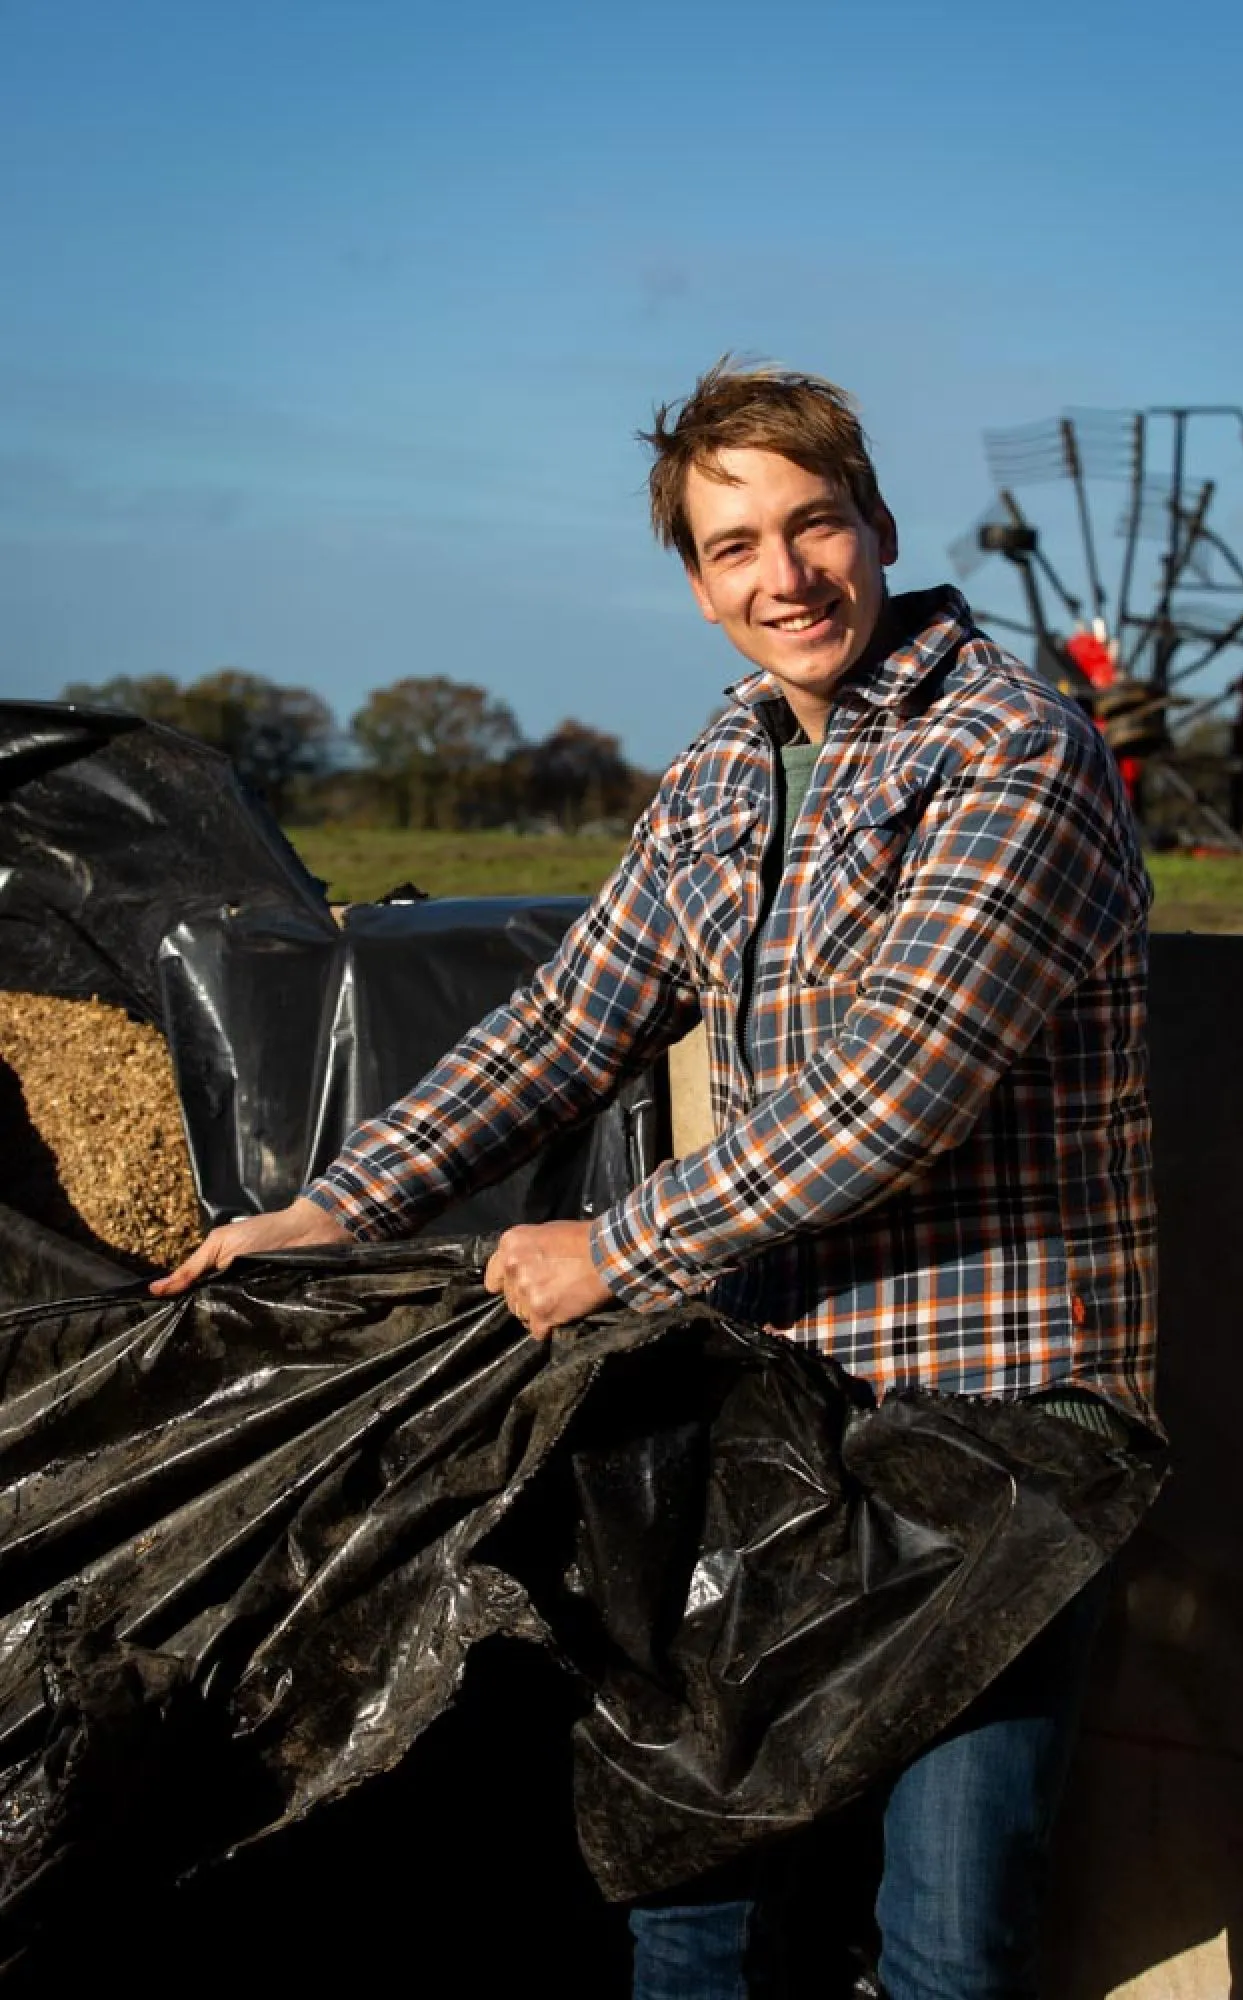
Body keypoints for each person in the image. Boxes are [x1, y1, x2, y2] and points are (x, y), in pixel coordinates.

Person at [155, 359, 1159, 2000]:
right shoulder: (724, 773)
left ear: (880, 525)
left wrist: (612, 1249)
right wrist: (326, 1209)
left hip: (996, 1441)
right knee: (689, 1895)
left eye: (814, 523)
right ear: (697, 592)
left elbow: (889, 1098)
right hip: (771, 1420)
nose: (786, 576)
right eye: (735, 547)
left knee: (949, 1938)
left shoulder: (1013, 757)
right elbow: (560, 1025)